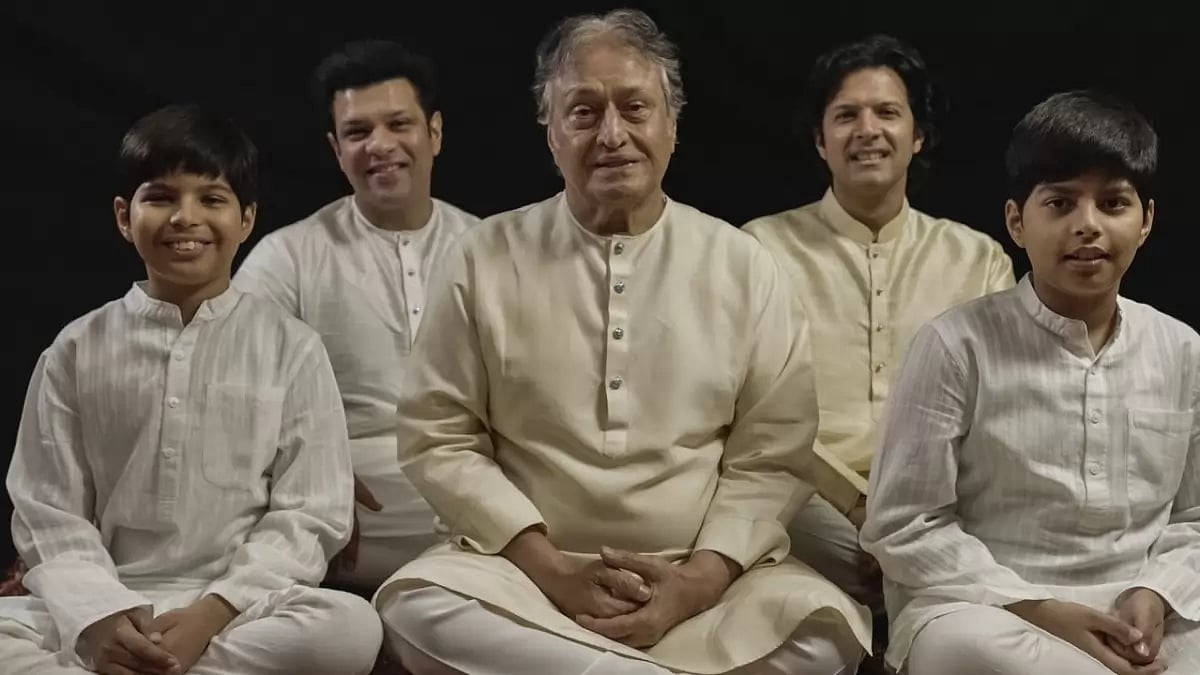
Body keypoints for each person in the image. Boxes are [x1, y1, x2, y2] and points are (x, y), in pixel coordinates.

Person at [373, 9, 872, 675]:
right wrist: (551, 568)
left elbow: (772, 454)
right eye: (583, 112)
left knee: (823, 630)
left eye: (635, 107)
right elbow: (439, 435)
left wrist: (695, 582)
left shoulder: (742, 264)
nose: (613, 134)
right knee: (418, 606)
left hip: (699, 579)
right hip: (523, 574)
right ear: (551, 132)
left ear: (671, 123)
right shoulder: (483, 256)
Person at [0, 104, 382, 675]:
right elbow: (46, 508)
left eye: (211, 198)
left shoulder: (292, 346)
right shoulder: (75, 348)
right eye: (161, 198)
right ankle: (136, 658)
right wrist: (102, 617)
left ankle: (145, 665)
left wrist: (209, 615)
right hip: (105, 597)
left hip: (237, 605)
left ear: (247, 219)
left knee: (349, 631)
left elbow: (311, 512)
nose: (186, 218)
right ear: (125, 217)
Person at [861, 90, 1200, 674]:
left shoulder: (1182, 350)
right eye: (1061, 203)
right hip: (994, 606)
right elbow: (903, 523)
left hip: (1138, 610)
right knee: (961, 649)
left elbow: (1193, 519)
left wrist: (1157, 593)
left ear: (1145, 222)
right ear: (1017, 222)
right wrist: (1040, 608)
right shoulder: (955, 345)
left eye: (1113, 204)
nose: (1088, 226)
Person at [743, 34, 1015, 610]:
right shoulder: (760, 249)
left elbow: (995, 410)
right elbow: (756, 410)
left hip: (944, 501)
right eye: (846, 115)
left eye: (887, 113)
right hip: (807, 502)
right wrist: (860, 510)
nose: (867, 130)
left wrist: (908, 516)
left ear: (917, 136)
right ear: (821, 140)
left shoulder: (979, 258)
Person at [233, 40, 479, 591]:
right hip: (345, 507)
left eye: (399, 124)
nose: (380, 146)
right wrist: (314, 474)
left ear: (433, 133)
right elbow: (231, 392)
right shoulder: (287, 257)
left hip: (477, 491)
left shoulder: (488, 248)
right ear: (335, 148)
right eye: (358, 132)